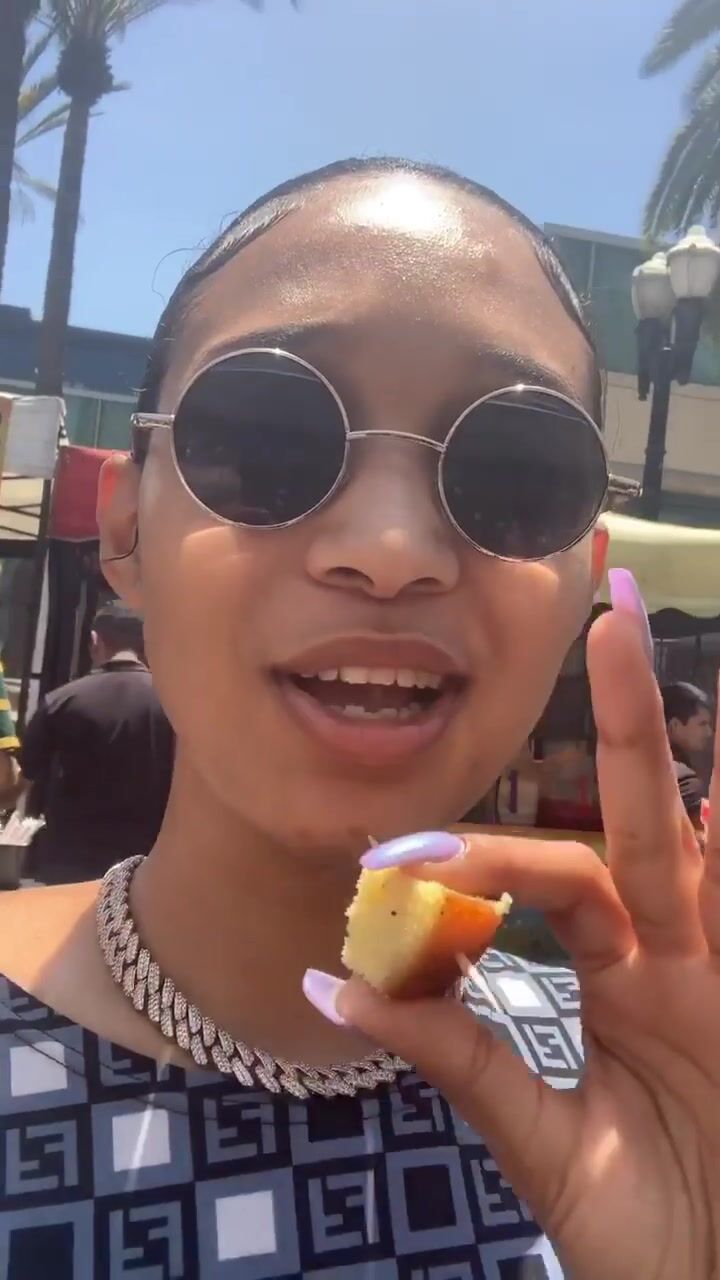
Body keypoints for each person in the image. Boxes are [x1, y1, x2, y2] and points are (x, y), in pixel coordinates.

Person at [0, 159, 717, 1280]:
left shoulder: (648, 1083)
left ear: (585, 578)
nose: (391, 550)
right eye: (268, 436)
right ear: (124, 526)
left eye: (515, 470)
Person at [18, 601, 173, 883]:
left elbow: (24, 776)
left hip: (71, 863)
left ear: (94, 640)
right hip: (149, 863)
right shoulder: (175, 706)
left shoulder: (62, 700)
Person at [661, 680, 713, 824]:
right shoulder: (684, 781)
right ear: (674, 726)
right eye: (702, 724)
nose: (709, 732)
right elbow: (705, 828)